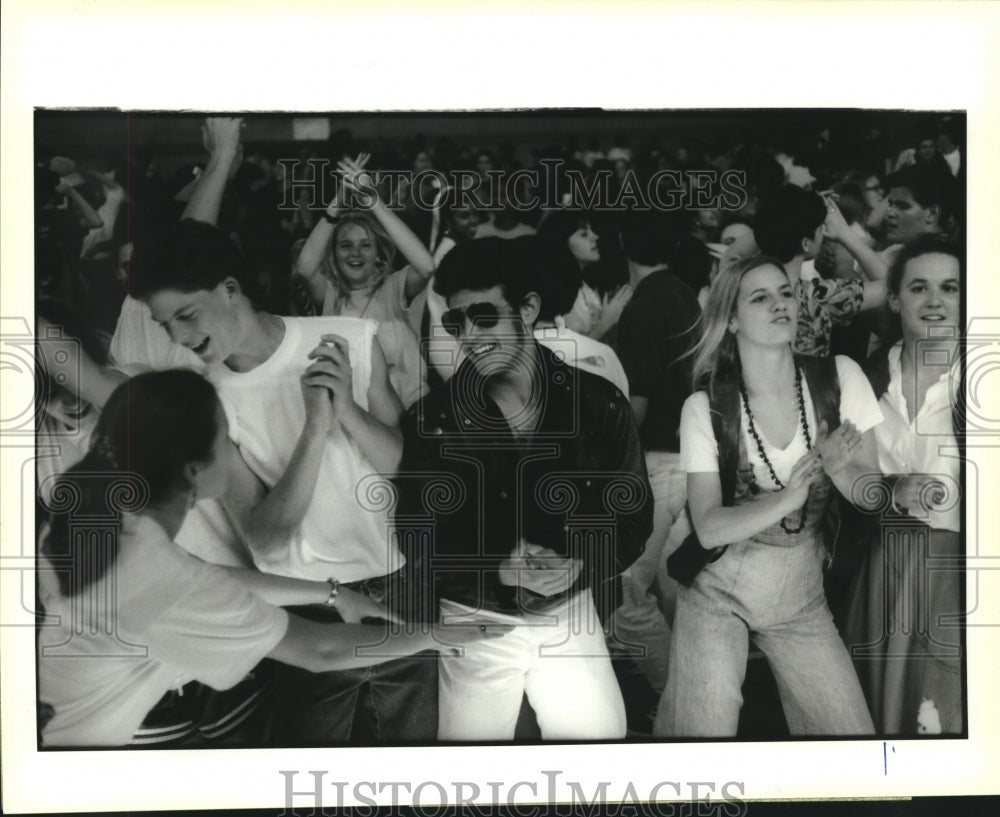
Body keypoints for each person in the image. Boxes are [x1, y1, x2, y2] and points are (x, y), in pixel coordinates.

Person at [36, 370, 508, 747]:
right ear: (195, 469)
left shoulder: (106, 522)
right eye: (228, 440)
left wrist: (333, 592)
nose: (236, 450)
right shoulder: (158, 581)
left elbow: (210, 576)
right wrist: (430, 634)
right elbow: (318, 651)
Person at [129, 218, 438, 746]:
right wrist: (315, 429)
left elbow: (400, 470)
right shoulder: (203, 405)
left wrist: (348, 411)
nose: (180, 337)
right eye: (165, 326)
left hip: (400, 578)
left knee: (404, 762)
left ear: (230, 290)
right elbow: (265, 539)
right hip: (308, 601)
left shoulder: (350, 340)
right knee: (311, 770)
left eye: (185, 314)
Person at [394, 237, 652, 741]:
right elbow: (416, 538)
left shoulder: (598, 403)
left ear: (529, 308)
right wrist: (496, 567)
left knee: (598, 766)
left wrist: (581, 562)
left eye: (484, 316)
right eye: (455, 321)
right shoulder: (433, 420)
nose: (468, 335)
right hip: (474, 621)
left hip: (569, 614)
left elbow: (633, 517)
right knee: (470, 783)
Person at [653, 255, 883, 737]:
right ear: (731, 318)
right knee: (704, 738)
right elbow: (711, 524)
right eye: (760, 297)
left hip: (800, 593)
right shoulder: (705, 406)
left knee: (850, 736)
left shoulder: (839, 377)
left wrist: (840, 471)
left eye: (785, 292)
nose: (780, 304)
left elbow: (870, 494)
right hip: (716, 589)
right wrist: (789, 495)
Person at [845, 236, 964, 734]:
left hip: (958, 574)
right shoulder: (865, 379)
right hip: (880, 568)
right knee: (882, 717)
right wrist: (890, 488)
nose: (935, 301)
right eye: (919, 287)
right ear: (893, 299)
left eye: (950, 287)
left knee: (945, 716)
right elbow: (841, 482)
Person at [293, 153, 435, 407]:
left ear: (378, 253)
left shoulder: (394, 287)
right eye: (345, 246)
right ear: (334, 255)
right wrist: (340, 198)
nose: (355, 253)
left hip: (415, 413)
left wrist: (373, 200)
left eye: (365, 245)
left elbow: (426, 266)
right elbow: (304, 268)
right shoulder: (329, 294)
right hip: (361, 421)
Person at [753, 185, 890, 357]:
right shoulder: (818, 296)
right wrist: (844, 233)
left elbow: (733, 254)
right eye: (820, 229)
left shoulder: (736, 285)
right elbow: (895, 284)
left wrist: (786, 209)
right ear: (805, 243)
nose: (823, 234)